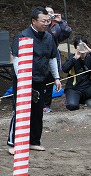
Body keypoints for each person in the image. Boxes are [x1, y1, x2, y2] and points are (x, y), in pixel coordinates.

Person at [7, 6, 62, 154]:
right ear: (34, 21)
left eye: (48, 20)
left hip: (41, 78)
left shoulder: (49, 37)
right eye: (43, 21)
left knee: (38, 112)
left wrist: (56, 77)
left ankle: (34, 141)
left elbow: (52, 59)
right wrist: (22, 81)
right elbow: (17, 60)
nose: (46, 23)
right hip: (23, 80)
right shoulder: (22, 36)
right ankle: (13, 143)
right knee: (19, 111)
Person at [62, 35, 91, 111]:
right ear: (75, 47)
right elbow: (64, 69)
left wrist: (90, 51)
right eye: (79, 45)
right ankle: (79, 100)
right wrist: (75, 58)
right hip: (74, 89)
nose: (81, 47)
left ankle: (90, 101)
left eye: (83, 45)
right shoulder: (72, 58)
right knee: (72, 106)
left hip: (87, 88)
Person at [43, 6, 72, 113]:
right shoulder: (40, 25)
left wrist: (61, 22)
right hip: (40, 57)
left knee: (51, 80)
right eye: (47, 12)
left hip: (53, 55)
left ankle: (46, 105)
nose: (50, 14)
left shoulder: (56, 26)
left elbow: (67, 32)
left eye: (52, 12)